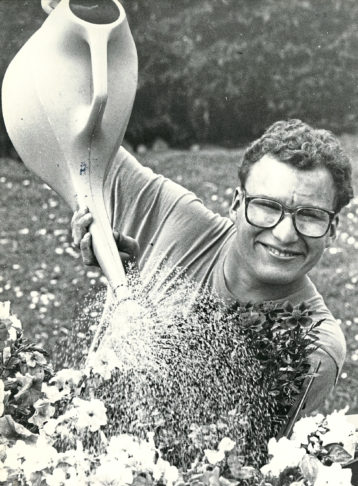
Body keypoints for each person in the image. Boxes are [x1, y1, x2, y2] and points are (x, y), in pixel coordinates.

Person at [72, 119, 353, 415]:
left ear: (332, 229)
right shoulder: (178, 220)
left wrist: (133, 295)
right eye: (267, 206)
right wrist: (92, 218)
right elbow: (82, 148)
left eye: (310, 215)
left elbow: (218, 447)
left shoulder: (314, 345)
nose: (285, 234)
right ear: (236, 204)